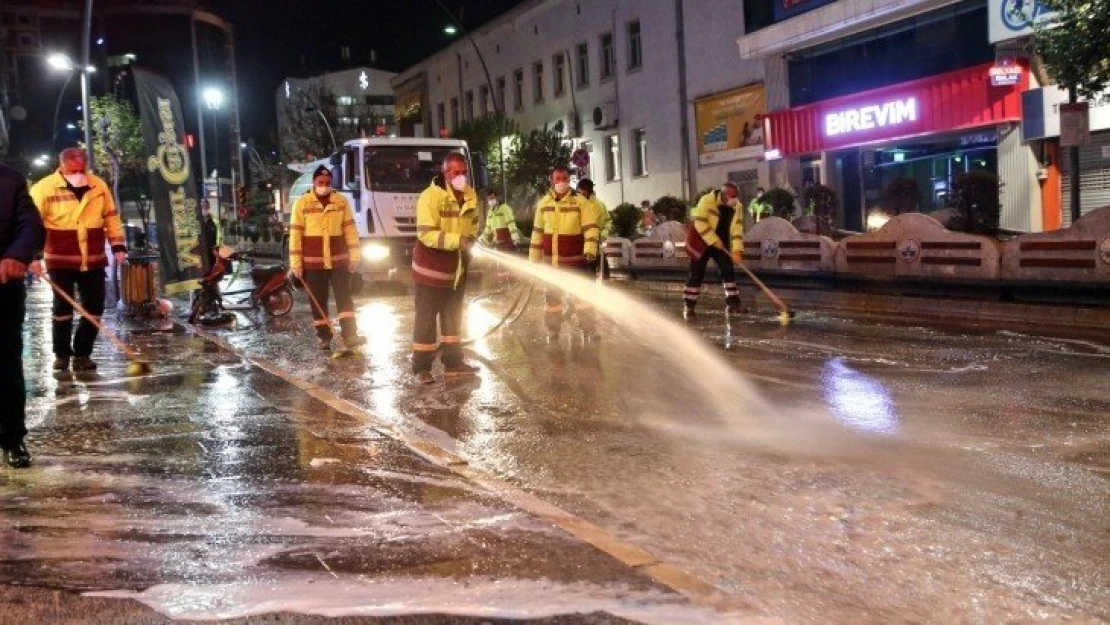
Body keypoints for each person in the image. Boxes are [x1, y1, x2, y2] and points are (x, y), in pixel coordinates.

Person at [29, 148, 126, 372]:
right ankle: (62, 354)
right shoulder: (44, 188)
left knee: (94, 307)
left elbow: (111, 217)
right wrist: (32, 255)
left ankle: (82, 354)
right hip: (59, 258)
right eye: (74, 161)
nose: (79, 165)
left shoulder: (98, 185)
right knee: (62, 307)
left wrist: (118, 245)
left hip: (93, 258)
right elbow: (32, 223)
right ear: (62, 163)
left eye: (82, 161)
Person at [411, 153, 480, 384]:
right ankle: (422, 368)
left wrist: (472, 240)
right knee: (426, 320)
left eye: (463, 172)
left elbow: (474, 225)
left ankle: (453, 363)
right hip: (431, 269)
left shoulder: (469, 195)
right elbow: (426, 233)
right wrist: (457, 240)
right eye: (455, 172)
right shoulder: (430, 197)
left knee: (453, 319)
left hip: (457, 270)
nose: (460, 177)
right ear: (445, 172)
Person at [289, 165, 366, 353]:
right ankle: (324, 337)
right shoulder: (302, 203)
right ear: (314, 183)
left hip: (339, 260)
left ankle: (350, 335)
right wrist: (296, 264)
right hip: (313, 262)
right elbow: (295, 236)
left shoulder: (341, 202)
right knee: (318, 301)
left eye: (327, 183)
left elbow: (350, 230)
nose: (324, 185)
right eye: (321, 183)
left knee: (345, 298)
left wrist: (354, 257)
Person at [0, 163, 45, 468]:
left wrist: (17, 254)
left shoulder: (10, 179)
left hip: (2, 287)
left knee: (5, 364)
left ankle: (12, 437)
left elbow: (29, 223)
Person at [530, 165, 601, 341]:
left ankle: (588, 329)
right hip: (552, 263)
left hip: (575, 260)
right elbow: (537, 232)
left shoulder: (580, 202)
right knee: (552, 299)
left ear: (569, 180)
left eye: (565, 179)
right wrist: (533, 260)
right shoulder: (544, 203)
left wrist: (590, 250)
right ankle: (553, 330)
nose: (562, 182)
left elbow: (591, 228)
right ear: (551, 181)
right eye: (558, 179)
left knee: (583, 297)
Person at [683, 181, 745, 320]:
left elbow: (737, 230)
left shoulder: (737, 207)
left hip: (721, 242)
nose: (734, 200)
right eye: (732, 197)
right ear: (723, 195)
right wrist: (714, 240)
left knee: (727, 270)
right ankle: (690, 305)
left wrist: (736, 250)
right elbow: (699, 223)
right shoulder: (706, 200)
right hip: (701, 240)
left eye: (736, 197)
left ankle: (733, 303)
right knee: (696, 273)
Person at [576, 178, 610, 277]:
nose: (580, 195)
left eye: (583, 193)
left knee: (591, 270)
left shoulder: (597, 206)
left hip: (591, 242)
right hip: (582, 242)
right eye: (579, 192)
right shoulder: (577, 203)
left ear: (589, 191)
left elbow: (606, 222)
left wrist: (603, 234)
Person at [200, 200, 219, 271]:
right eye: (202, 206)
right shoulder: (196, 222)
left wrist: (216, 250)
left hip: (211, 254)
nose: (204, 208)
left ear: (209, 207)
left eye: (206, 206)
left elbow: (216, 238)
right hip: (200, 254)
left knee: (211, 272)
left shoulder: (213, 223)